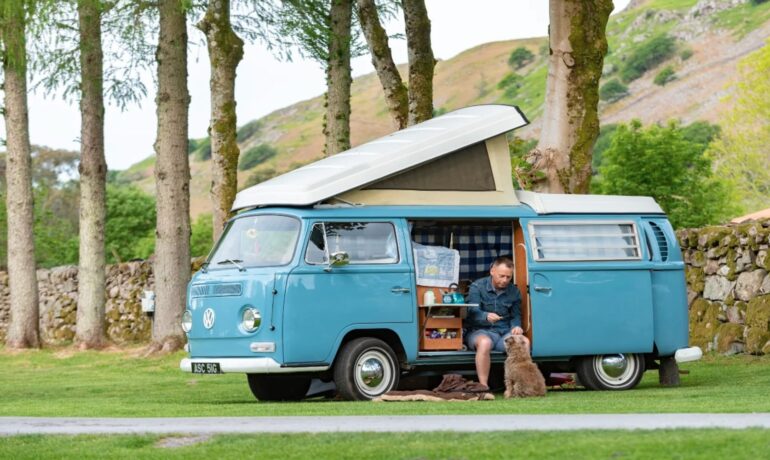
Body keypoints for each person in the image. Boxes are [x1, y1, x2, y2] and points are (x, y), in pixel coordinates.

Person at [465, 256, 524, 388]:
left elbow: (516, 315)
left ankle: (520, 386)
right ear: (492, 271)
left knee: (523, 342)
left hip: (503, 333)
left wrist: (516, 326)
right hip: (479, 331)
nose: (504, 280)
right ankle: (483, 386)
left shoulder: (514, 291)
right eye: (501, 276)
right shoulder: (477, 286)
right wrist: (485, 316)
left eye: (508, 277)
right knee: (485, 343)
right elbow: (471, 312)